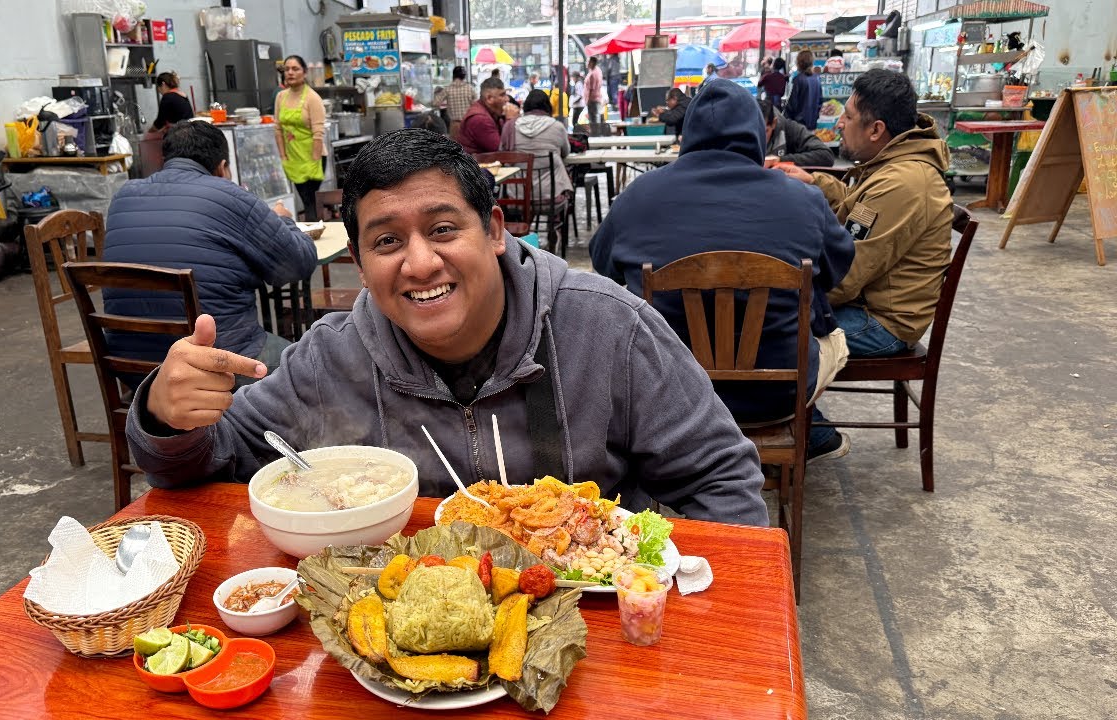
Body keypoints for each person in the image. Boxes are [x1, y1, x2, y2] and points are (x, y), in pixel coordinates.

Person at [125, 128, 768, 527]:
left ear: (492, 230)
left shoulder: (609, 328)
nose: (420, 262)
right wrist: (164, 416)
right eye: (386, 241)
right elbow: (222, 454)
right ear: (359, 262)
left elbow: (721, 480)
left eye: (442, 229)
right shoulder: (333, 356)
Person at [592, 80, 855, 424]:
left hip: (668, 399)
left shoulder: (639, 195)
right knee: (833, 338)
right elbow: (837, 268)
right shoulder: (804, 199)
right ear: (758, 134)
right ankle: (810, 433)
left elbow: (603, 264)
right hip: (777, 398)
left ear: (688, 133)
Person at [774, 69, 953, 461]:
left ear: (876, 129)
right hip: (874, 303)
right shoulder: (894, 162)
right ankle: (800, 424)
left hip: (884, 321)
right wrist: (814, 182)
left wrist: (788, 295)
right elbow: (862, 208)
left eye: (849, 116)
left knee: (772, 334)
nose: (840, 123)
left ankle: (811, 433)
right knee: (772, 318)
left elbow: (848, 276)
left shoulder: (904, 183)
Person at [103, 120, 318, 380]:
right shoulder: (230, 195)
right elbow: (298, 263)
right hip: (216, 365)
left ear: (165, 159)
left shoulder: (123, 196)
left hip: (132, 366)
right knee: (312, 366)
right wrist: (284, 219)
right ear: (222, 167)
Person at [275, 55, 327, 222]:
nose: (290, 72)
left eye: (295, 69)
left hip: (313, 157)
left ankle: (314, 237)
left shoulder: (313, 98)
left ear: (304, 73)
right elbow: (278, 129)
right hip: (293, 158)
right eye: (287, 69)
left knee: (310, 201)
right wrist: (283, 157)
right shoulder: (281, 97)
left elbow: (318, 133)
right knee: (305, 201)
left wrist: (313, 161)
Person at [500, 89, 574, 206]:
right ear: (548, 106)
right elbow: (565, 152)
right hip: (552, 194)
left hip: (518, 195)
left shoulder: (510, 127)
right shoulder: (557, 126)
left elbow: (502, 154)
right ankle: (554, 222)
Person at [759, 98, 835, 167]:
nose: (758, 139)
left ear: (774, 123)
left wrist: (780, 160)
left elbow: (826, 156)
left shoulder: (790, 130)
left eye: (763, 132)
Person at [455, 77, 508, 155]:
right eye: (502, 95)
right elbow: (501, 150)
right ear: (489, 98)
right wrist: (510, 120)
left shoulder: (490, 112)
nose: (507, 99)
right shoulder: (479, 119)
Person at [785, 51, 823, 131]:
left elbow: (792, 105)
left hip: (799, 124)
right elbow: (820, 101)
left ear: (799, 63)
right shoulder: (817, 78)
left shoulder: (797, 79)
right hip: (813, 123)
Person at [436, 65, 476, 134]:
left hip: (455, 125)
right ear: (464, 76)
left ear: (453, 76)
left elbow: (436, 103)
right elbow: (476, 105)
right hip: (468, 123)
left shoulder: (448, 89)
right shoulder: (470, 88)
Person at [584, 56, 605, 135]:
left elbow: (591, 89)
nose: (587, 63)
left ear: (591, 63)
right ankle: (597, 135)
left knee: (594, 119)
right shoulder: (598, 70)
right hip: (597, 98)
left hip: (593, 99)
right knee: (597, 117)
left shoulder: (593, 74)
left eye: (588, 61)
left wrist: (588, 100)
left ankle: (596, 135)